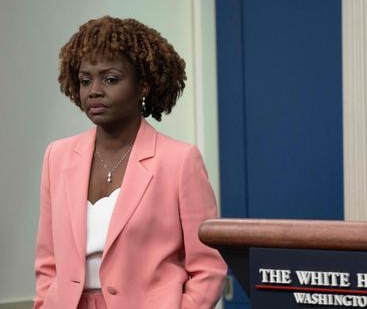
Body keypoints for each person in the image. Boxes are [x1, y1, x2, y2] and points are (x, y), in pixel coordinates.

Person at [34, 16, 227, 308]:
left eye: (110, 79)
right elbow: (48, 259)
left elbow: (208, 267)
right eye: (86, 81)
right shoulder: (57, 156)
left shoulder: (179, 160)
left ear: (143, 86)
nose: (94, 91)